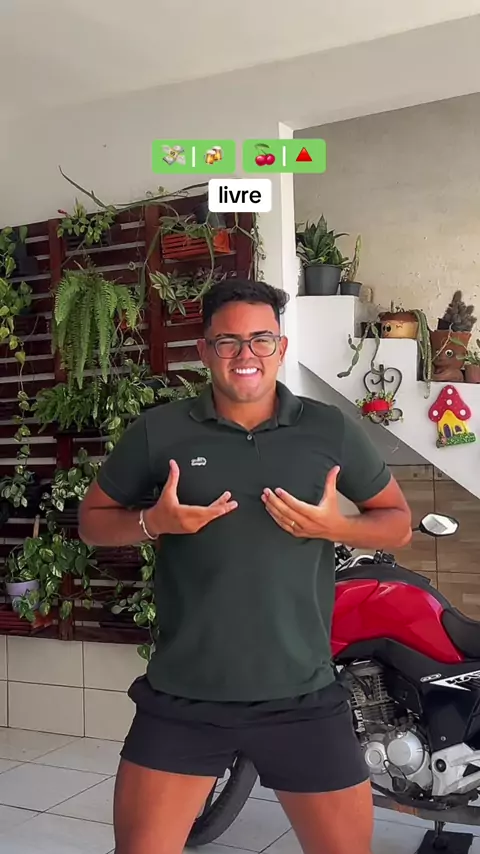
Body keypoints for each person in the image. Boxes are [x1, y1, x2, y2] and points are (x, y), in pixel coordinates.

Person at [79, 278, 412, 854]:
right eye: (227, 341)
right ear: (204, 350)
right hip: (185, 696)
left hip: (302, 695)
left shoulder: (328, 429)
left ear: (281, 347)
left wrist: (334, 527)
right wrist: (154, 522)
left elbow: (398, 522)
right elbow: (92, 522)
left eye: (261, 339)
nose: (245, 354)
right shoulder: (160, 432)